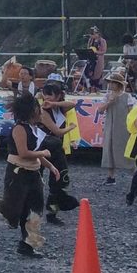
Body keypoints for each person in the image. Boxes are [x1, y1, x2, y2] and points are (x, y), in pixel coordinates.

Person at [0, 94, 58, 257]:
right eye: (38, 107)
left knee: (34, 211)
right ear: (32, 110)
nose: (41, 111)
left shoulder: (34, 129)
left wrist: (50, 166)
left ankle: (27, 245)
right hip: (18, 173)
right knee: (11, 212)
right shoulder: (20, 128)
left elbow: (35, 152)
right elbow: (24, 152)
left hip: (33, 173)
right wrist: (44, 153)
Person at [38, 81, 81, 223]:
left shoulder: (59, 108)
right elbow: (57, 131)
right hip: (40, 148)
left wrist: (54, 104)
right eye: (45, 94)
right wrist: (71, 127)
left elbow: (72, 104)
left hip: (56, 148)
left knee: (58, 179)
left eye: (50, 95)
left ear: (58, 96)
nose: (46, 98)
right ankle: (30, 211)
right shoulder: (42, 110)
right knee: (35, 179)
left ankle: (52, 212)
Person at [98, 70, 134, 185]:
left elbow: (131, 112)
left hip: (123, 126)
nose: (110, 84)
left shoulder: (127, 96)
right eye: (110, 82)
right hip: (110, 126)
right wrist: (109, 101)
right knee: (109, 149)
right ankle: (110, 176)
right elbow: (100, 110)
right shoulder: (107, 96)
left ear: (118, 84)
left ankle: (135, 173)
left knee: (126, 149)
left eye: (113, 82)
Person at [87, 27, 107, 91]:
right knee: (90, 74)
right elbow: (88, 48)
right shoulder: (90, 40)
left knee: (98, 75)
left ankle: (98, 88)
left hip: (98, 59)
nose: (92, 35)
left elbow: (104, 51)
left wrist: (96, 52)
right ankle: (91, 88)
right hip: (91, 59)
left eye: (93, 34)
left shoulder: (102, 41)